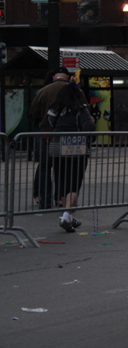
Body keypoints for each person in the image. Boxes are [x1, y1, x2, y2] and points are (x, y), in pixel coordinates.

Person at [46, 82, 95, 232]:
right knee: (74, 182)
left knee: (61, 180)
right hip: (78, 147)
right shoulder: (81, 109)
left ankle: (67, 216)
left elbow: (50, 123)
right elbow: (88, 126)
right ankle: (67, 214)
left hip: (58, 145)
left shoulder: (55, 109)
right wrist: (89, 139)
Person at [28, 67, 73, 209]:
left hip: (46, 134)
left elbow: (33, 113)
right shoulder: (75, 90)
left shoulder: (43, 91)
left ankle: (45, 200)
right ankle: (61, 199)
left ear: (54, 77)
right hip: (66, 135)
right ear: (67, 77)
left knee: (44, 167)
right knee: (62, 168)